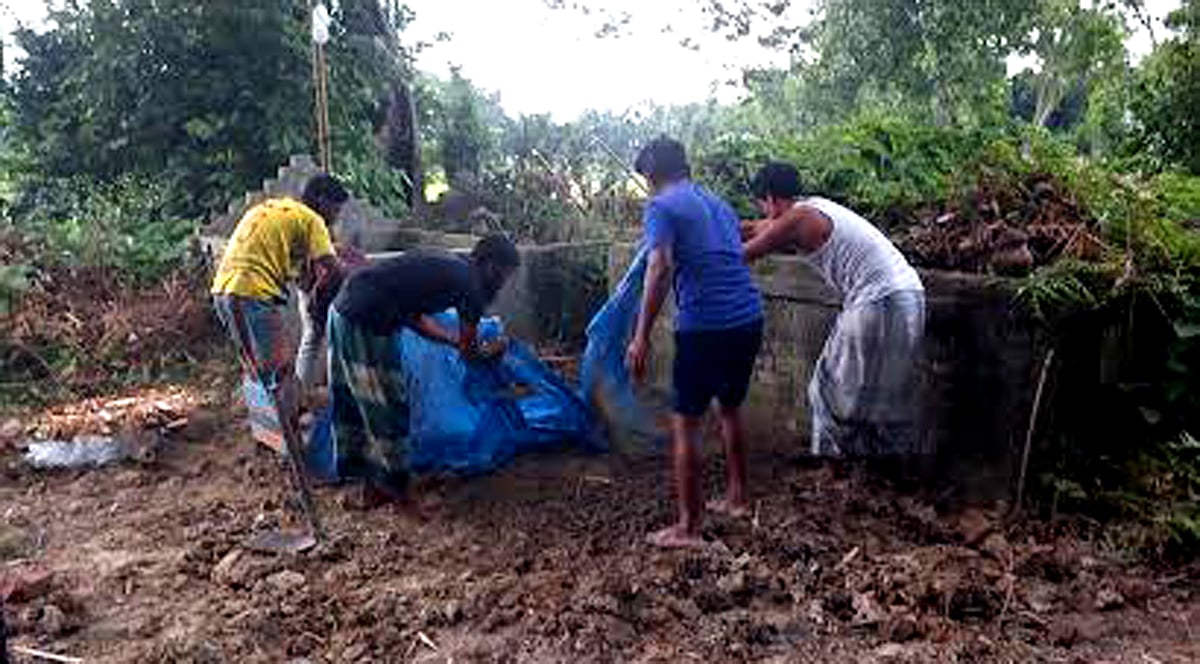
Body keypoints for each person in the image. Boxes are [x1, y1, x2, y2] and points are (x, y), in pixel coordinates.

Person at [626, 137, 764, 549]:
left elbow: (660, 265)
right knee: (730, 409)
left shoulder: (661, 207)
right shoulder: (717, 204)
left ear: (652, 174)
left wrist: (640, 336)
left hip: (705, 325)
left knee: (685, 424)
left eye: (646, 179)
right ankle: (738, 498)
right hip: (747, 318)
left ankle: (688, 527)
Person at [742, 161, 925, 459]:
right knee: (881, 400)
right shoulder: (815, 208)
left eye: (762, 204)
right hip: (908, 297)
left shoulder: (798, 217)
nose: (764, 211)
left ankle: (831, 470)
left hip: (878, 300)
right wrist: (715, 227)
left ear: (772, 199)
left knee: (827, 390)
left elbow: (747, 251)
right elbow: (753, 228)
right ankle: (877, 474)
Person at [327, 234, 521, 506]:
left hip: (342, 312)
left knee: (358, 405)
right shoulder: (472, 288)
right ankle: (401, 494)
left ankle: (370, 487)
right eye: (506, 274)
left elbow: (415, 318)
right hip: (366, 319)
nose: (504, 283)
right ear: (492, 267)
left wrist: (454, 342)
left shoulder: (453, 267)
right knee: (387, 408)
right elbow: (470, 354)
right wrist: (496, 348)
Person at [211, 174, 349, 444]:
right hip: (253, 295)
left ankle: (273, 438)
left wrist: (312, 292)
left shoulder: (273, 210)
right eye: (336, 210)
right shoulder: (313, 220)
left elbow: (300, 275)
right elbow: (332, 267)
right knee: (282, 376)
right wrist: (362, 276)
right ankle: (301, 456)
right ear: (321, 201)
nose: (336, 217)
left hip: (223, 293)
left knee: (258, 371)